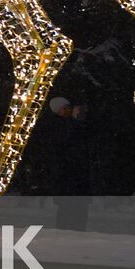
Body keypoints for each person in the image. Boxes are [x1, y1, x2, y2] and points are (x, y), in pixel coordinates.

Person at [44, 96, 92, 230]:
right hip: (66, 177)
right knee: (67, 211)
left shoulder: (70, 124)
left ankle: (77, 233)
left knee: (79, 210)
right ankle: (66, 234)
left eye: (68, 108)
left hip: (76, 176)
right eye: (65, 108)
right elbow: (65, 142)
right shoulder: (57, 125)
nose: (68, 111)